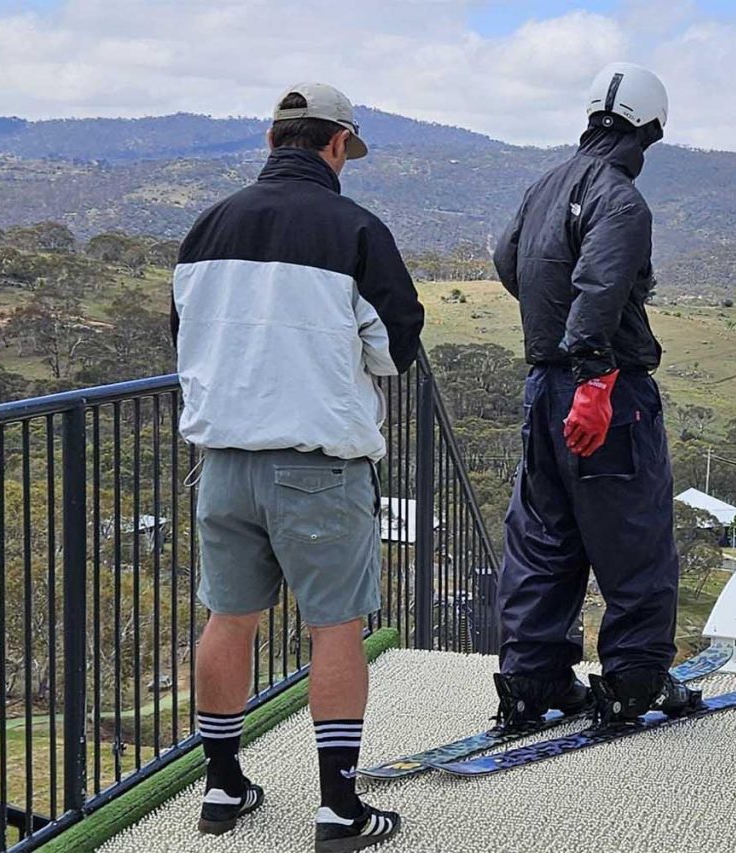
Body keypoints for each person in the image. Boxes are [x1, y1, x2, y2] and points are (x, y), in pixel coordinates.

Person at [173, 83, 424, 852]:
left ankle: (222, 785)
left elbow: (185, 339)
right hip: (316, 465)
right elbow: (394, 348)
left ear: (271, 138)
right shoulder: (355, 229)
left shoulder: (206, 227)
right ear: (337, 143)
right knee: (334, 627)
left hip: (223, 463)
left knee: (228, 616)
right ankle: (339, 809)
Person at [490, 62, 701, 729]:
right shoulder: (620, 197)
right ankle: (634, 681)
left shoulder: (542, 187)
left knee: (542, 536)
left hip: (540, 389)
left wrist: (551, 330)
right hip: (605, 393)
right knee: (633, 536)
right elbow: (603, 285)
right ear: (650, 129)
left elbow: (507, 261)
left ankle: (533, 678)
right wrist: (594, 377)